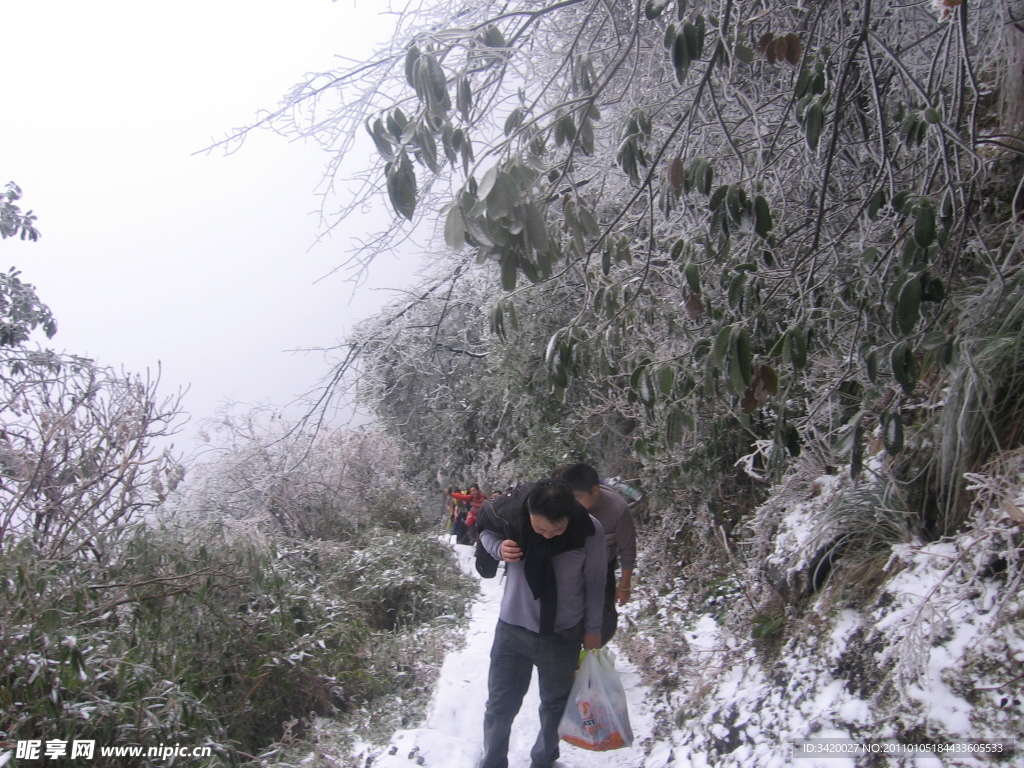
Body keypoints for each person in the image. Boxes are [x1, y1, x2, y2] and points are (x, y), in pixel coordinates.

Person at [475, 480, 606, 768]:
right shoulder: (511, 518)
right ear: (528, 513)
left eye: (556, 530)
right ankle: (493, 762)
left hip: (562, 636)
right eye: (540, 528)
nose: (547, 536)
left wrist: (593, 630)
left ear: (570, 516)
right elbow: (485, 531)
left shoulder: (589, 530)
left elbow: (597, 584)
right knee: (499, 706)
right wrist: (499, 548)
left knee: (555, 706)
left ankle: (544, 760)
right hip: (512, 630)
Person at [557, 463, 637, 646]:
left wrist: (624, 586)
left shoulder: (617, 509)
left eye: (577, 497)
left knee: (604, 618)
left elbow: (627, 551)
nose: (572, 503)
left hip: (602, 570)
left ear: (595, 490)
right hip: (569, 569)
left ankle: (591, 651)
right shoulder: (562, 506)